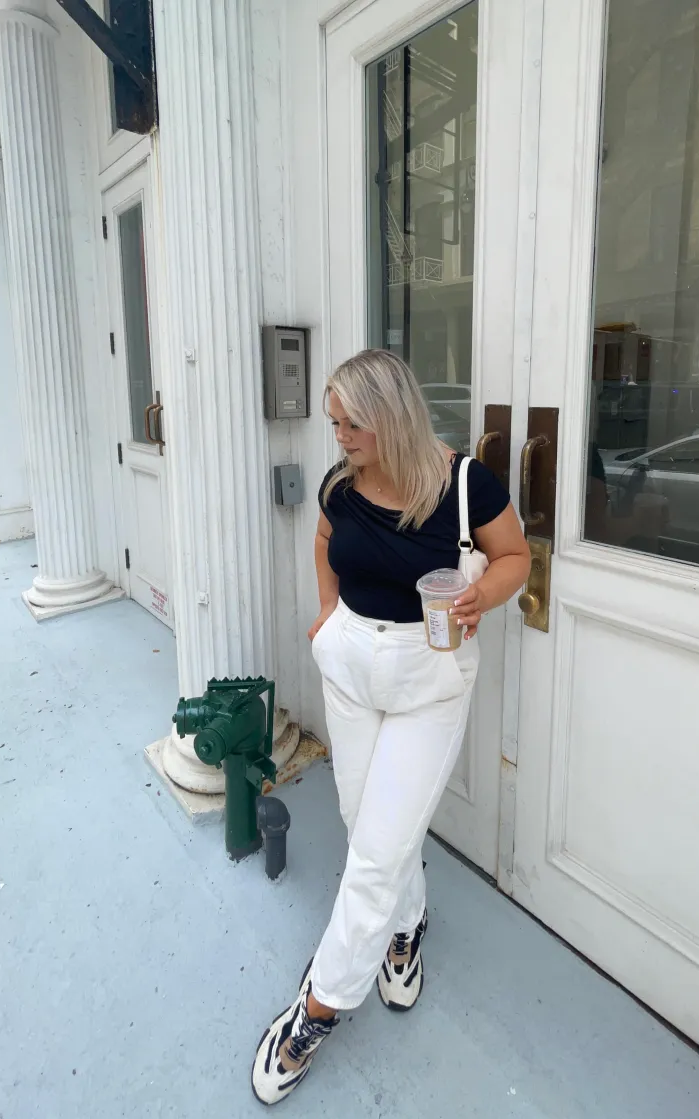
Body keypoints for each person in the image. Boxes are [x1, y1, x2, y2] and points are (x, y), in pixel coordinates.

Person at [251, 349, 530, 1105]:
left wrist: (481, 600)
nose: (337, 433)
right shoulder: (342, 483)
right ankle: (405, 927)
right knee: (360, 819)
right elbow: (323, 540)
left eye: (350, 421)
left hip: (426, 678)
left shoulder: (467, 484)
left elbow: (514, 557)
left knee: (374, 853)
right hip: (350, 664)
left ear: (392, 414)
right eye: (332, 419)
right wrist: (324, 615)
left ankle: (316, 1009)